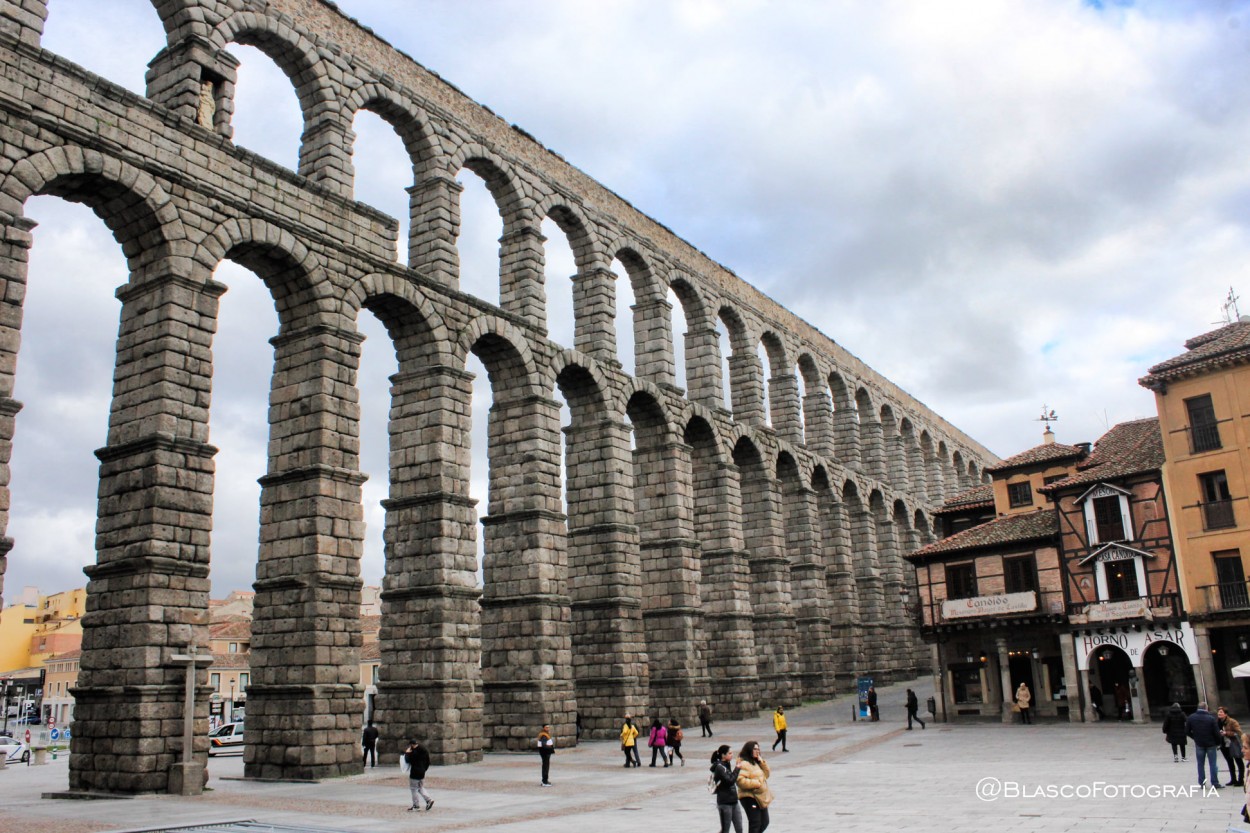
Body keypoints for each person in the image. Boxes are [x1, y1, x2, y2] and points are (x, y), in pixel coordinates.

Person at [736, 740, 773, 833]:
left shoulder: (755, 763)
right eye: (755, 749)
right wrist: (756, 783)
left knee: (765, 822)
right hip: (749, 797)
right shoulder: (744, 763)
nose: (758, 751)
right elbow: (740, 781)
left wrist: (761, 762)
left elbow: (767, 774)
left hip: (760, 797)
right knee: (755, 822)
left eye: (758, 749)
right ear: (749, 750)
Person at [1185, 701, 1222, 789]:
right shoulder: (1211, 718)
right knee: (1213, 764)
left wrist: (1195, 737)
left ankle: (1202, 783)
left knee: (1200, 764)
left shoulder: (1191, 717)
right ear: (1206, 708)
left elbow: (1187, 731)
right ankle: (1215, 782)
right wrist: (1218, 742)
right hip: (1211, 743)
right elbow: (1216, 733)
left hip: (1199, 744)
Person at [710, 744, 743, 833]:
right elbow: (730, 781)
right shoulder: (719, 767)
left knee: (739, 828)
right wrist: (737, 768)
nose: (732, 755)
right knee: (725, 829)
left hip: (733, 801)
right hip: (725, 802)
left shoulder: (726, 764)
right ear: (723, 755)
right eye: (730, 753)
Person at [403, 738, 434, 811]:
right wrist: (424, 769)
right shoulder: (424, 750)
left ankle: (416, 805)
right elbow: (428, 762)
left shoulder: (414, 753)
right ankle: (429, 800)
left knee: (414, 789)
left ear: (411, 745)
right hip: (422, 772)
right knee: (420, 787)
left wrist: (407, 753)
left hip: (415, 772)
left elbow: (407, 760)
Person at [1219, 707, 1245, 788]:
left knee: (1238, 761)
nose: (1219, 714)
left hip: (1233, 744)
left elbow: (1238, 732)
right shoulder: (1217, 722)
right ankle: (1233, 779)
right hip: (1224, 745)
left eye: (1221, 712)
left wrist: (1226, 733)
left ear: (1225, 714)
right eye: (1218, 712)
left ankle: (1241, 780)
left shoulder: (1232, 721)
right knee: (1229, 762)